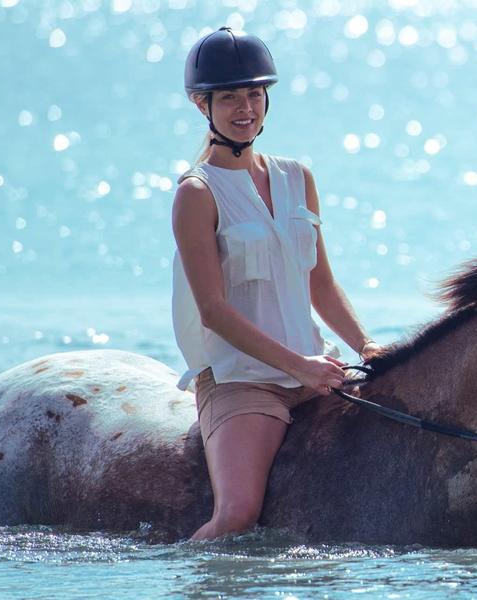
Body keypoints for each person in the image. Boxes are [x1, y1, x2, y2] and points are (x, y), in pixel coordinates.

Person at [171, 27, 381, 541]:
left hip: (316, 370)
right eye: (228, 98)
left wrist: (366, 345)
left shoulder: (297, 177)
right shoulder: (196, 193)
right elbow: (213, 310)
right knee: (238, 514)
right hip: (242, 380)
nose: (245, 108)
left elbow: (322, 284)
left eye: (253, 94)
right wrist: (297, 367)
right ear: (203, 105)